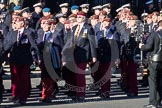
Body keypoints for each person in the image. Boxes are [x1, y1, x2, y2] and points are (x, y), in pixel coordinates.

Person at [3, 16, 39, 105]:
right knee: (15, 79)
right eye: (14, 22)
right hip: (14, 59)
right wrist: (3, 55)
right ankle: (15, 95)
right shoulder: (13, 33)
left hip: (25, 60)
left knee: (24, 79)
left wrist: (35, 58)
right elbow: (8, 46)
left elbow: (33, 46)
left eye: (17, 22)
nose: (15, 23)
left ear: (22, 23)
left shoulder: (28, 33)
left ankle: (23, 97)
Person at [62, 11, 97, 101]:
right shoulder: (74, 28)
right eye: (77, 17)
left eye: (80, 17)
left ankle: (81, 94)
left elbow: (92, 43)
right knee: (73, 74)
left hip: (83, 55)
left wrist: (94, 56)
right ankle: (75, 92)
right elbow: (70, 41)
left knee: (80, 75)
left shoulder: (88, 28)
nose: (78, 19)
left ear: (84, 18)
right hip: (73, 54)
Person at [139, 20, 162, 108]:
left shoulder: (155, 34)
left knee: (152, 82)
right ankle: (159, 101)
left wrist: (141, 46)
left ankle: (153, 102)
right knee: (160, 82)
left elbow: (148, 47)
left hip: (154, 60)